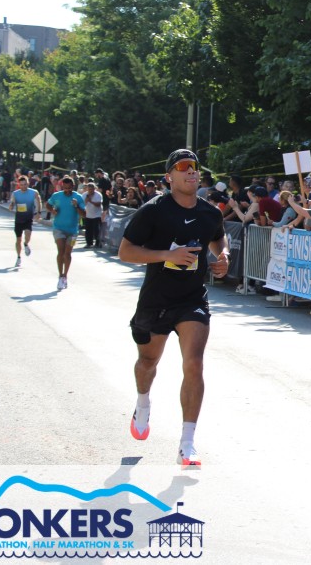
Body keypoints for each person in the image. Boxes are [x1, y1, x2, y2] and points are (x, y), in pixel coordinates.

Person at [118, 149, 228, 469]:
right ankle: (142, 402)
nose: (191, 171)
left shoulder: (210, 213)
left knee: (194, 363)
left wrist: (223, 257)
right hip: (156, 300)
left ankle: (187, 444)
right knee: (148, 362)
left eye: (194, 166)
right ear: (169, 177)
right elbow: (126, 252)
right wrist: (167, 256)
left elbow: (218, 239)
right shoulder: (153, 211)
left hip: (192, 299)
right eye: (183, 167)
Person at [46, 176, 86, 291]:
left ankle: (65, 276)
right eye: (65, 188)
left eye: (69, 188)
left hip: (72, 230)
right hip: (58, 228)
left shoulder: (78, 197)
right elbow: (48, 204)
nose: (67, 190)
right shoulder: (56, 195)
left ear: (73, 187)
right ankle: (60, 275)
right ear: (62, 186)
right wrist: (52, 210)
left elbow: (84, 214)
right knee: (61, 251)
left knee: (67, 254)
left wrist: (76, 206)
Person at [9, 176, 42, 267]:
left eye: (25, 184)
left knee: (28, 235)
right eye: (21, 185)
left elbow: (39, 202)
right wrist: (11, 206)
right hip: (19, 219)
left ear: (28, 184)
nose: (23, 186)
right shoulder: (15, 194)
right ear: (19, 185)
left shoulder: (34, 192)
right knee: (18, 239)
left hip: (28, 218)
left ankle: (26, 244)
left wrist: (38, 212)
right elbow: (12, 203)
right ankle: (18, 257)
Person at [82, 182, 104, 248]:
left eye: (92, 189)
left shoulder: (98, 195)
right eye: (89, 189)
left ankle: (98, 243)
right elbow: (82, 204)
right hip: (88, 214)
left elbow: (98, 204)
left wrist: (90, 201)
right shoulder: (84, 195)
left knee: (96, 230)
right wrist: (86, 200)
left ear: (94, 189)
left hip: (97, 214)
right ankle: (89, 243)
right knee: (88, 230)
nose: (90, 191)